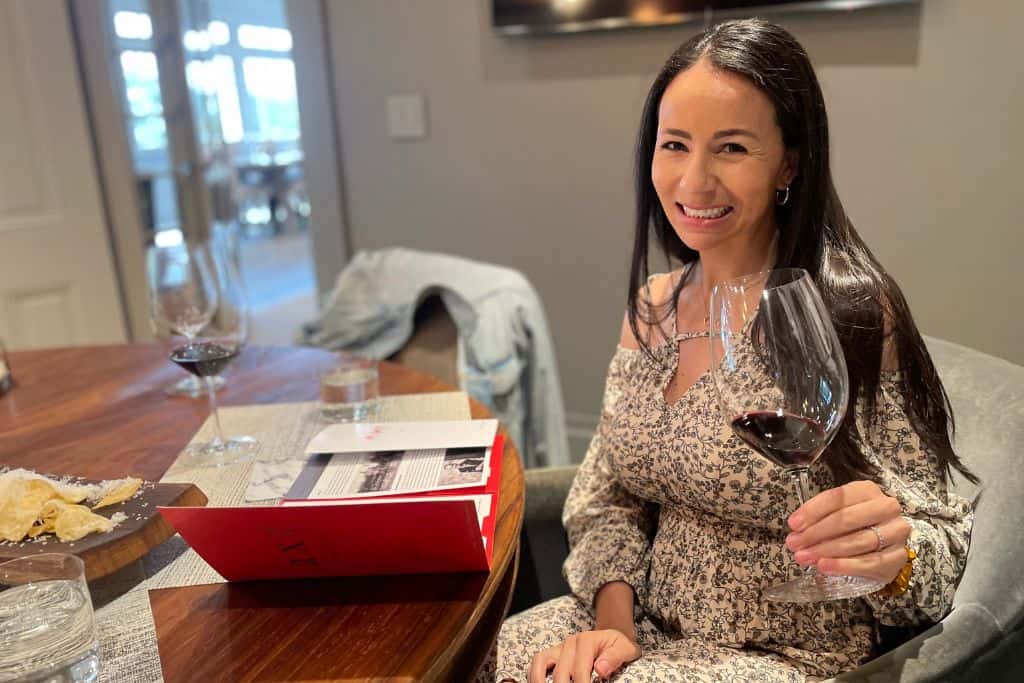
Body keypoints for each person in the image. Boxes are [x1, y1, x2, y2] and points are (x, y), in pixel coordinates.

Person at [478, 17, 976, 683]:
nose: (695, 180)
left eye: (733, 148)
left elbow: (938, 542)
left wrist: (893, 555)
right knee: (479, 659)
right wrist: (611, 632)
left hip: (783, 652)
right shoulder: (653, 307)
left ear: (789, 164)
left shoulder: (850, 310)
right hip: (643, 627)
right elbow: (607, 500)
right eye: (675, 145)